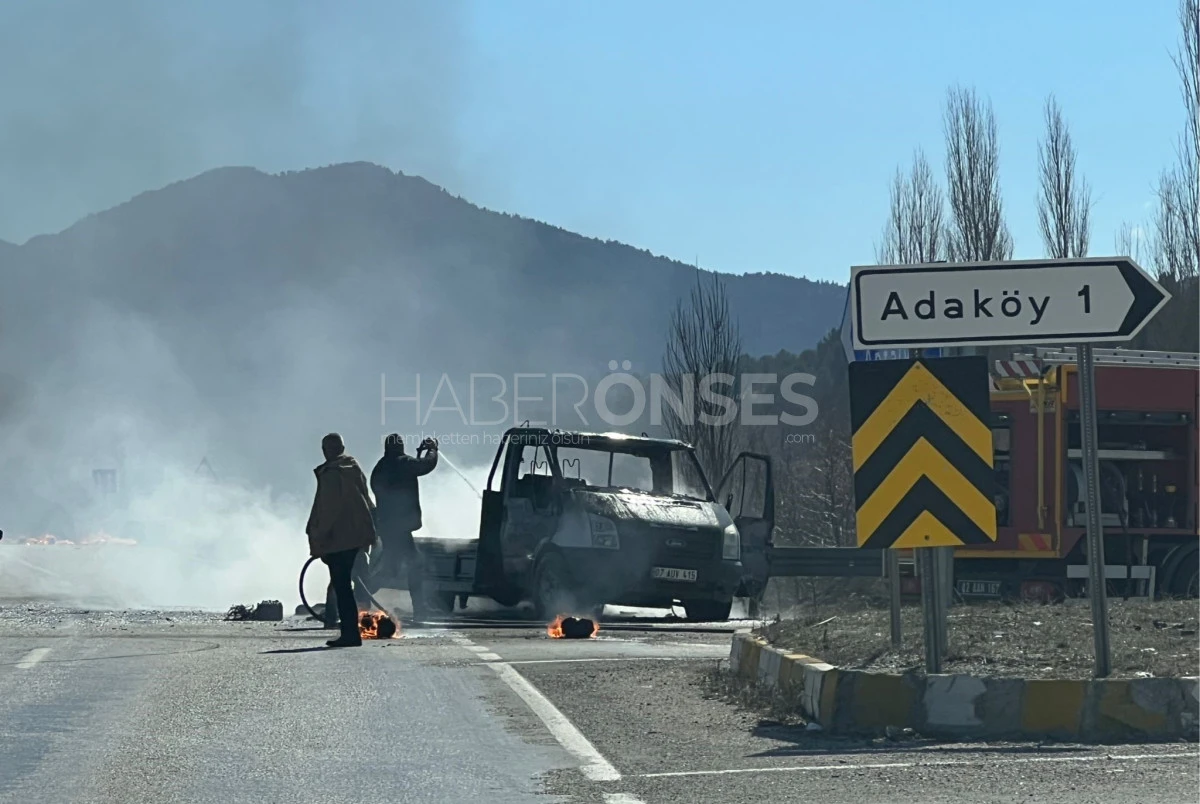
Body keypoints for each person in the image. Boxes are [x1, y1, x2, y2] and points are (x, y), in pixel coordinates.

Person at [306, 433, 377, 648]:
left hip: (338, 539)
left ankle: (350, 634)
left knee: (342, 587)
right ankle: (351, 631)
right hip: (355, 537)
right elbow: (368, 501)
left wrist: (318, 536)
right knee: (348, 586)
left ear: (326, 450)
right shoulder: (353, 469)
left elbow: (328, 511)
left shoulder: (332, 474)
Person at [370, 434, 438, 622]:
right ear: (400, 447)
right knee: (413, 565)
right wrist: (433, 449)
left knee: (391, 568)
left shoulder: (381, 467)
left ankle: (359, 595)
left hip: (387, 526)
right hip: (400, 528)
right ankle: (420, 610)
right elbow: (425, 465)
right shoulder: (402, 463)